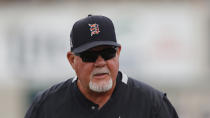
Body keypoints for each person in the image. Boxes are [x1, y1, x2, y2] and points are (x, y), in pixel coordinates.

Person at [25, 15, 179, 118]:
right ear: (72, 60)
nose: (100, 63)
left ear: (118, 53)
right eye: (89, 56)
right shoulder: (47, 106)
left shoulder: (152, 105)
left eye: (107, 53)